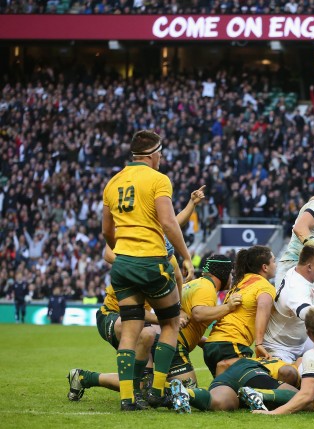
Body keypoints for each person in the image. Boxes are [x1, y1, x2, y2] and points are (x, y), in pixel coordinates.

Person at [66, 255, 236, 410]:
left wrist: (203, 340)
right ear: (223, 274)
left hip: (159, 334)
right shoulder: (205, 287)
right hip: (137, 325)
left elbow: (185, 318)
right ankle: (152, 392)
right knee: (187, 390)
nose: (232, 278)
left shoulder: (189, 282)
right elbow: (197, 314)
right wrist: (228, 307)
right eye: (231, 274)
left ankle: (85, 378)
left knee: (142, 380)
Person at [101, 130, 194, 410]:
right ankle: (156, 391)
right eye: (160, 154)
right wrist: (185, 256)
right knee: (170, 323)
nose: (161, 158)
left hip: (123, 265)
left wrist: (122, 251)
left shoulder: (113, 182)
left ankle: (127, 399)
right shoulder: (158, 180)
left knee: (130, 331)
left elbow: (106, 231)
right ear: (153, 155)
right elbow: (168, 222)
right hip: (151, 262)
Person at [262, 244, 314, 362]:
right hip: (280, 346)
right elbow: (305, 313)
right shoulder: (296, 286)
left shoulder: (304, 274)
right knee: (292, 373)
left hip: (300, 340)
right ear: (309, 267)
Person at [204, 246, 277, 376]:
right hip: (232, 344)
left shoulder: (239, 283)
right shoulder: (265, 286)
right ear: (265, 267)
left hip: (212, 344)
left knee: (225, 387)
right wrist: (259, 343)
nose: (276, 265)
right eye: (274, 261)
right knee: (254, 382)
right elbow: (262, 307)